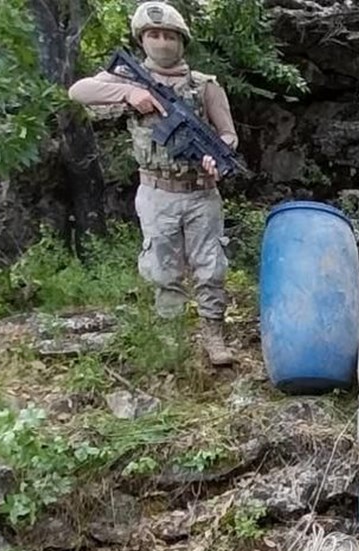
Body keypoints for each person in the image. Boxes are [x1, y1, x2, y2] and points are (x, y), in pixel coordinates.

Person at [68, 1, 238, 366]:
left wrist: (216, 155)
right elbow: (78, 91)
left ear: (182, 40)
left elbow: (227, 135)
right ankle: (171, 338)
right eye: (153, 35)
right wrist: (129, 95)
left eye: (169, 35)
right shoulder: (127, 80)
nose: (162, 42)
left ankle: (213, 335)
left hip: (200, 192)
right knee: (163, 268)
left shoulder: (204, 86)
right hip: (156, 191)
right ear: (142, 39)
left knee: (211, 266)